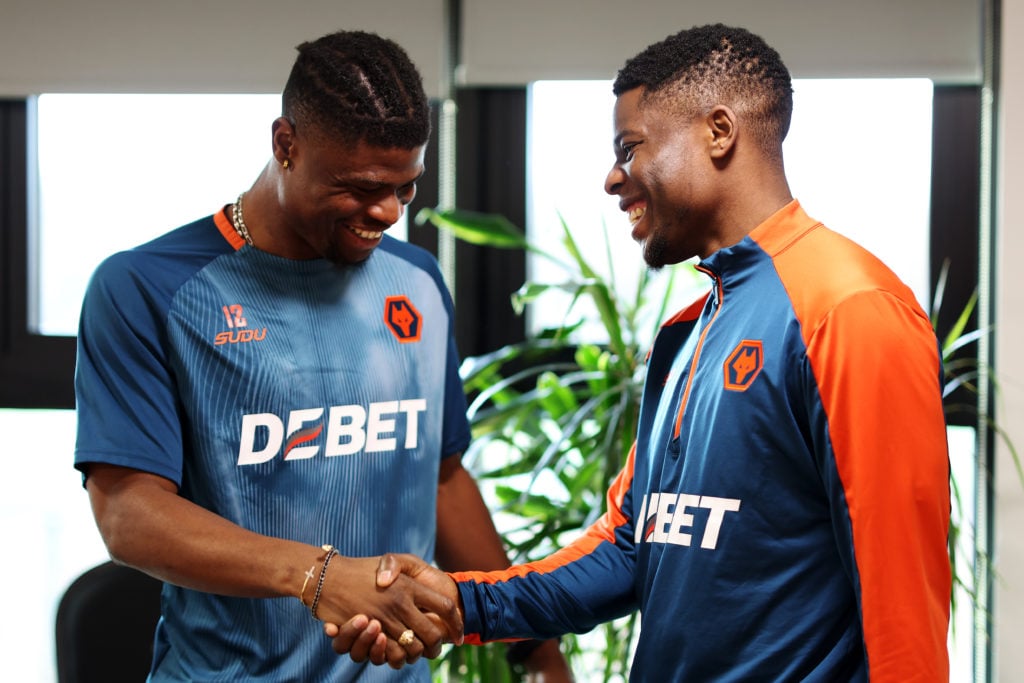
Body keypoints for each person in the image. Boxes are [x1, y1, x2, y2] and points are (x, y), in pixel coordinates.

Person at [329, 23, 952, 681]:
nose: (612, 177)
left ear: (719, 132)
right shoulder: (691, 330)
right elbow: (630, 545)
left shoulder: (849, 308)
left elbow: (901, 604)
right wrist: (462, 601)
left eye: (629, 148)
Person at [73, 30, 568, 682]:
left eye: (406, 188)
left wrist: (535, 647)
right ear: (286, 144)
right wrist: (318, 576)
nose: (387, 211)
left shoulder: (416, 282)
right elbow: (128, 512)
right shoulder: (147, 287)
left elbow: (442, 478)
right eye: (362, 187)